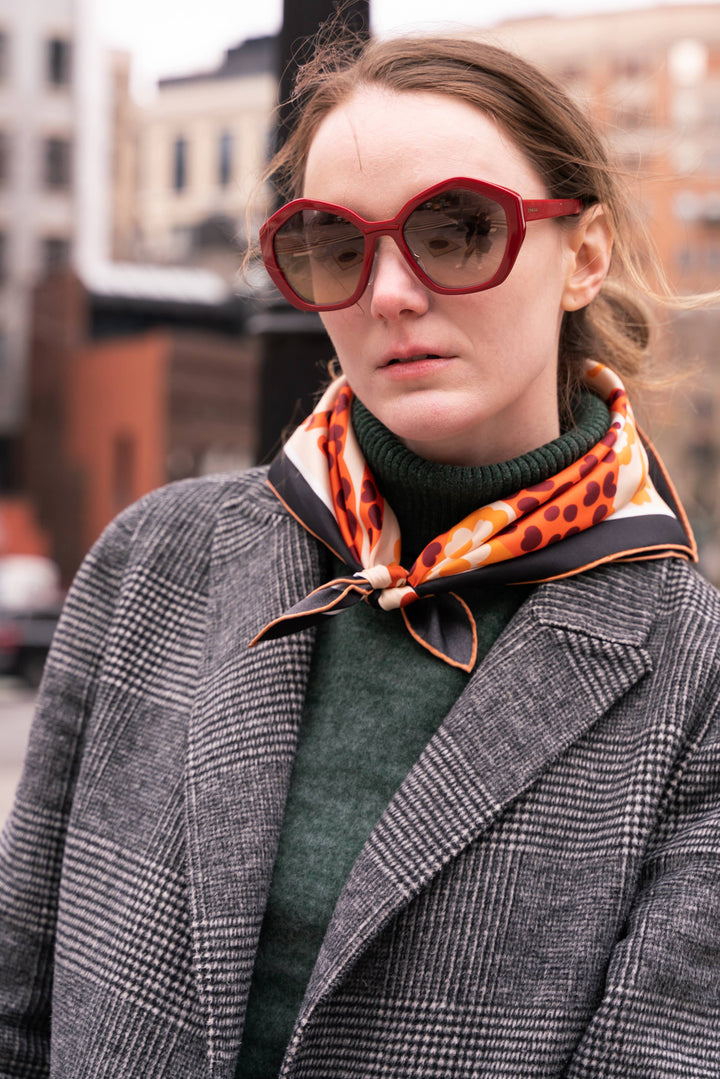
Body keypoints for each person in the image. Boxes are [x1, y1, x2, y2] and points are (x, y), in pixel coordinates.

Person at [1, 29, 719, 1079]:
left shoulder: (692, 671)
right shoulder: (153, 563)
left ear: (587, 254)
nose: (389, 291)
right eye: (336, 243)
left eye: (460, 228)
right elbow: (19, 1007)